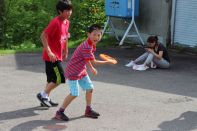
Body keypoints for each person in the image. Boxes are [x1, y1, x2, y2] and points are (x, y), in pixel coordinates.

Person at [54, 24, 114, 121]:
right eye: (94, 34)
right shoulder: (87, 46)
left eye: (99, 35)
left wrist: (91, 68)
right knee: (74, 94)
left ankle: (88, 110)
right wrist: (107, 62)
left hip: (81, 70)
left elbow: (87, 59)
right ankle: (59, 112)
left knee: (90, 88)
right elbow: (93, 61)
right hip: (73, 72)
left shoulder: (91, 44)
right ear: (88, 34)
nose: (97, 37)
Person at [36, 0, 72, 107]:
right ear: (60, 11)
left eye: (70, 10)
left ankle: (45, 98)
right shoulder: (55, 22)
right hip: (51, 56)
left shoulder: (66, 22)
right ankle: (42, 95)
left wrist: (66, 50)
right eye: (67, 11)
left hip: (58, 55)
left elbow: (65, 37)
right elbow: (43, 36)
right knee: (60, 78)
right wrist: (49, 51)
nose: (69, 12)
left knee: (51, 79)